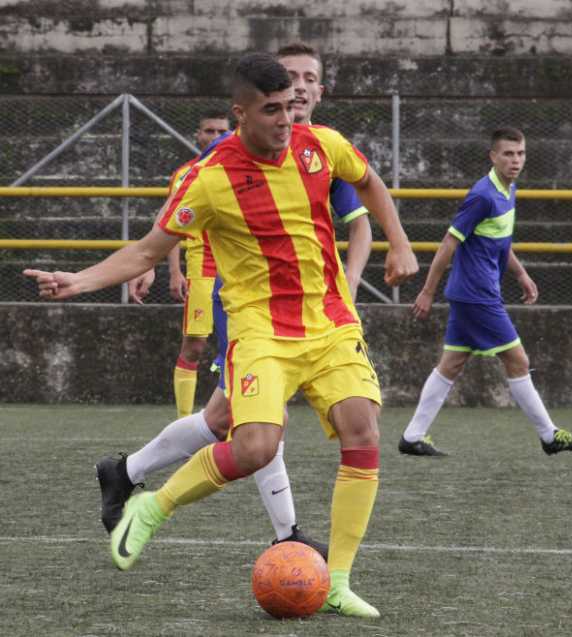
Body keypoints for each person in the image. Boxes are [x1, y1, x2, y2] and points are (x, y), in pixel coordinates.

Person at [24, 52, 418, 618]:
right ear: (241, 114)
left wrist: (400, 242)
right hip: (260, 330)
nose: (286, 120)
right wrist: (77, 281)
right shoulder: (211, 180)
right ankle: (153, 507)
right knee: (254, 446)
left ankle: (338, 580)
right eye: (272, 110)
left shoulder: (319, 144)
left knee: (364, 430)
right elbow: (146, 250)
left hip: (330, 322)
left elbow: (369, 181)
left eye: (290, 107)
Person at [96, 43, 374, 559]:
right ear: (244, 110)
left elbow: (360, 221)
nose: (301, 91)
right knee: (259, 427)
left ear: (317, 90)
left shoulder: (321, 149)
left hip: (316, 315)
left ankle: (127, 471)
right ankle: (288, 533)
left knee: (221, 419)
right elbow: (167, 224)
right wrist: (150, 264)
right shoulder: (222, 164)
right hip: (250, 309)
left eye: (308, 80)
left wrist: (352, 281)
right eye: (292, 80)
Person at [398, 127, 572, 457]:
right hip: (477, 295)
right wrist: (428, 291)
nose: (515, 160)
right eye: (508, 154)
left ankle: (412, 436)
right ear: (493, 156)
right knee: (517, 359)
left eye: (520, 154)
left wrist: (521, 274)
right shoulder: (483, 195)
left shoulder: (508, 189)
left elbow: (501, 241)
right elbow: (448, 243)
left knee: (452, 363)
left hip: (473, 292)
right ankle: (549, 436)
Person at [129, 110, 232, 419]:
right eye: (209, 131)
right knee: (195, 345)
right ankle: (184, 422)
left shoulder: (244, 168)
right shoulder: (185, 173)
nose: (215, 137)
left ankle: (236, 416)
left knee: (238, 348)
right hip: (202, 268)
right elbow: (170, 225)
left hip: (240, 271)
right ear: (198, 136)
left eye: (221, 131)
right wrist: (172, 270)